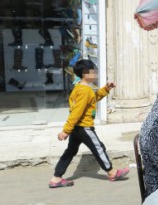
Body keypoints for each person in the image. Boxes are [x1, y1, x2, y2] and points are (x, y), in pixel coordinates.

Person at [49, 60, 128, 188]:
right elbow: (76, 112)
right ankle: (111, 172)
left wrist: (106, 89)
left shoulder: (81, 88)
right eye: (93, 72)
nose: (96, 74)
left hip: (77, 128)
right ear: (86, 74)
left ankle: (56, 178)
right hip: (84, 127)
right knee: (98, 148)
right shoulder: (85, 91)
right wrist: (66, 131)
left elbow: (94, 98)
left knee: (70, 151)